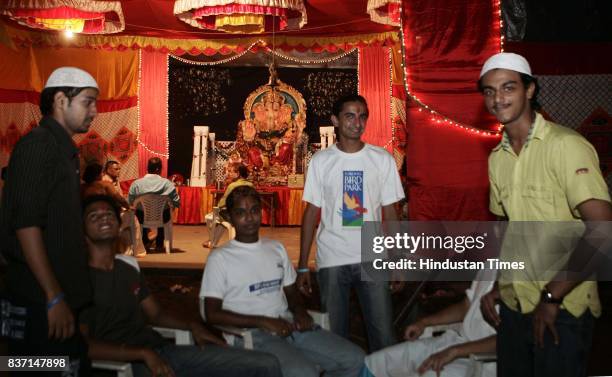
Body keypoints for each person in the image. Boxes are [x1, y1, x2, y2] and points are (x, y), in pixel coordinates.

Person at [478, 52, 612, 377]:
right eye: (489, 91)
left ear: (530, 90)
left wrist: (552, 297)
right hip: (516, 302)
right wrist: (500, 283)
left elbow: (603, 231)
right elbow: (509, 226)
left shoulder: (566, 146)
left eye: (508, 88)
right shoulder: (497, 157)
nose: (498, 99)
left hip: (563, 306)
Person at [80, 194, 282, 377]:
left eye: (108, 214)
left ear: (118, 224)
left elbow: (156, 315)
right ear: (82, 230)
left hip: (160, 351)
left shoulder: (127, 269)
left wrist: (192, 325)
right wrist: (141, 354)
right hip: (124, 364)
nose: (104, 218)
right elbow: (81, 345)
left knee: (266, 363)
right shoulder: (79, 280)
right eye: (94, 216)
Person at [200, 186, 365, 377]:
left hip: (289, 325)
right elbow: (211, 314)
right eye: (241, 213)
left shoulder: (275, 248)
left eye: (254, 210)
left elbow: (292, 292)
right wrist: (262, 321)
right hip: (250, 335)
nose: (249, 218)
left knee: (355, 359)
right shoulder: (220, 258)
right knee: (304, 372)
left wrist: (300, 312)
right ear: (230, 217)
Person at [0, 66, 99, 375]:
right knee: (36, 368)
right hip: (38, 302)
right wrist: (53, 296)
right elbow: (26, 225)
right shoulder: (38, 146)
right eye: (87, 101)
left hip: (56, 300)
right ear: (60, 100)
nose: (94, 111)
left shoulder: (62, 150)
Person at [297, 94, 405, 351]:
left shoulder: (382, 159)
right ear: (335, 120)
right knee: (334, 340)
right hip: (332, 257)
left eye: (362, 116)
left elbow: (391, 213)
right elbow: (311, 213)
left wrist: (398, 260)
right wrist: (302, 265)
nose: (357, 122)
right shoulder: (321, 161)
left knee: (383, 335)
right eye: (349, 115)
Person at [362, 274, 496, 377]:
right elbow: (467, 306)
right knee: (377, 361)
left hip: (485, 361)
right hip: (456, 341)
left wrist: (456, 351)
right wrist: (424, 322)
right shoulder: (491, 264)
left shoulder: (515, 283)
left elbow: (511, 340)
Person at [128, 157, 180, 252]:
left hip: (142, 218)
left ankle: (144, 242)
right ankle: (159, 244)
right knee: (165, 211)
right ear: (158, 169)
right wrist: (171, 206)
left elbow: (130, 202)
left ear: (148, 168)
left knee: (140, 212)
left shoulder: (137, 184)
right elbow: (177, 202)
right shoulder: (167, 184)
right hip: (163, 218)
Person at [203, 164, 254, 249]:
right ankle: (212, 242)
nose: (229, 173)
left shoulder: (232, 186)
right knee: (222, 222)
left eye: (231, 171)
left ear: (238, 174)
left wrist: (217, 209)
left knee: (210, 217)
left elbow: (223, 202)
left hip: (232, 216)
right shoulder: (251, 185)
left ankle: (212, 241)